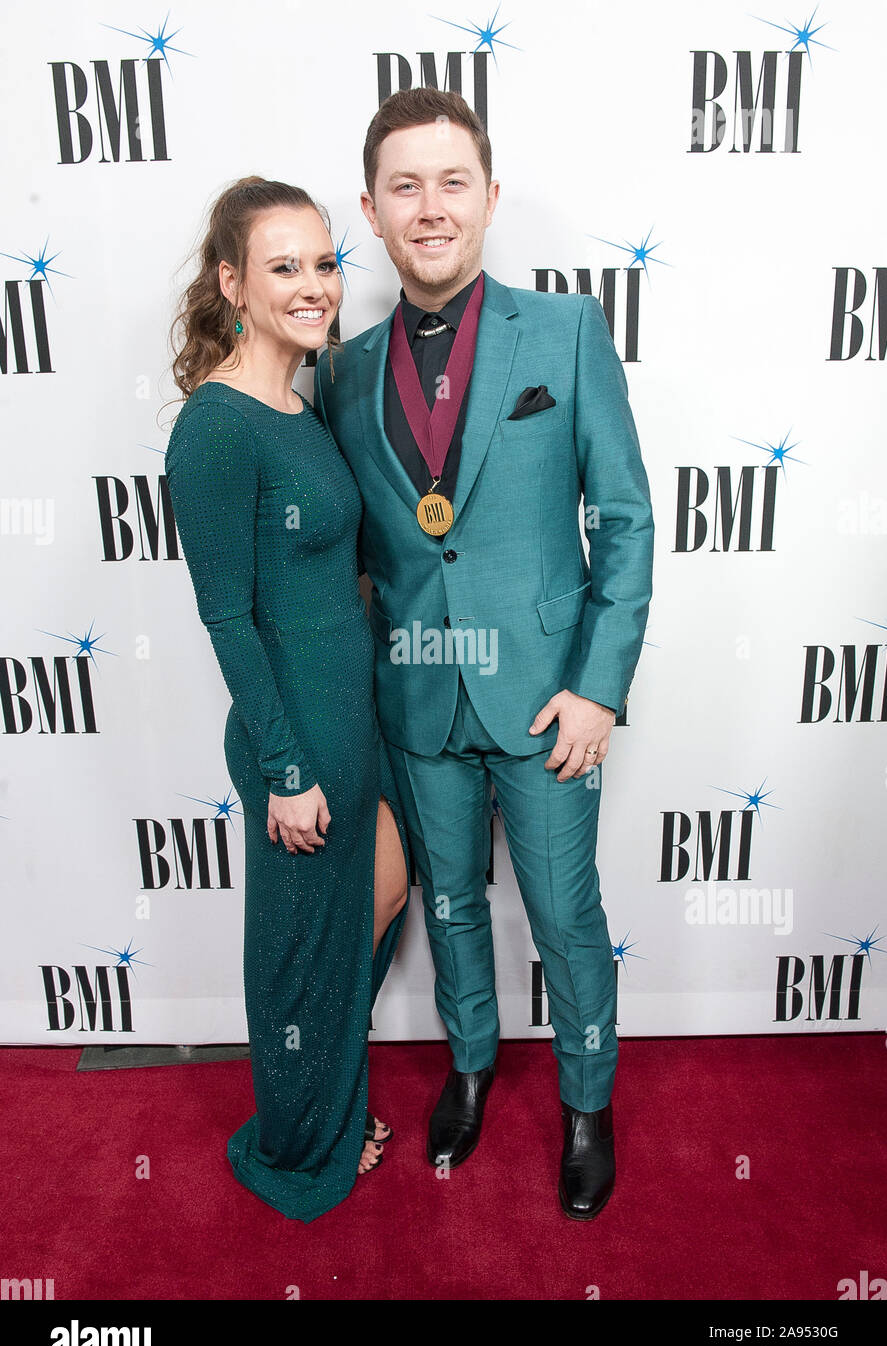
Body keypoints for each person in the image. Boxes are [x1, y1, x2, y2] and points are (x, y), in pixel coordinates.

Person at [314, 91, 654, 1219]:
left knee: (565, 916)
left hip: (550, 700)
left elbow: (628, 516)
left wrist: (601, 686)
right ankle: (468, 1068)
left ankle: (588, 1103)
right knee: (451, 904)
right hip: (415, 693)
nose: (429, 207)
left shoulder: (564, 332)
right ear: (371, 209)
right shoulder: (344, 370)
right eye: (403, 186)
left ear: (491, 197)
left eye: (451, 181)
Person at [164, 176, 410, 1222]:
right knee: (301, 956)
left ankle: (329, 1097)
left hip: (355, 716)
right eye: (284, 266)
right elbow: (228, 618)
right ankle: (304, 1141)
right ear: (231, 283)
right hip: (294, 734)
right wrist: (285, 770)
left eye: (323, 262)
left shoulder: (301, 403)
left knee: (382, 897)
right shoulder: (216, 428)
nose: (314, 285)